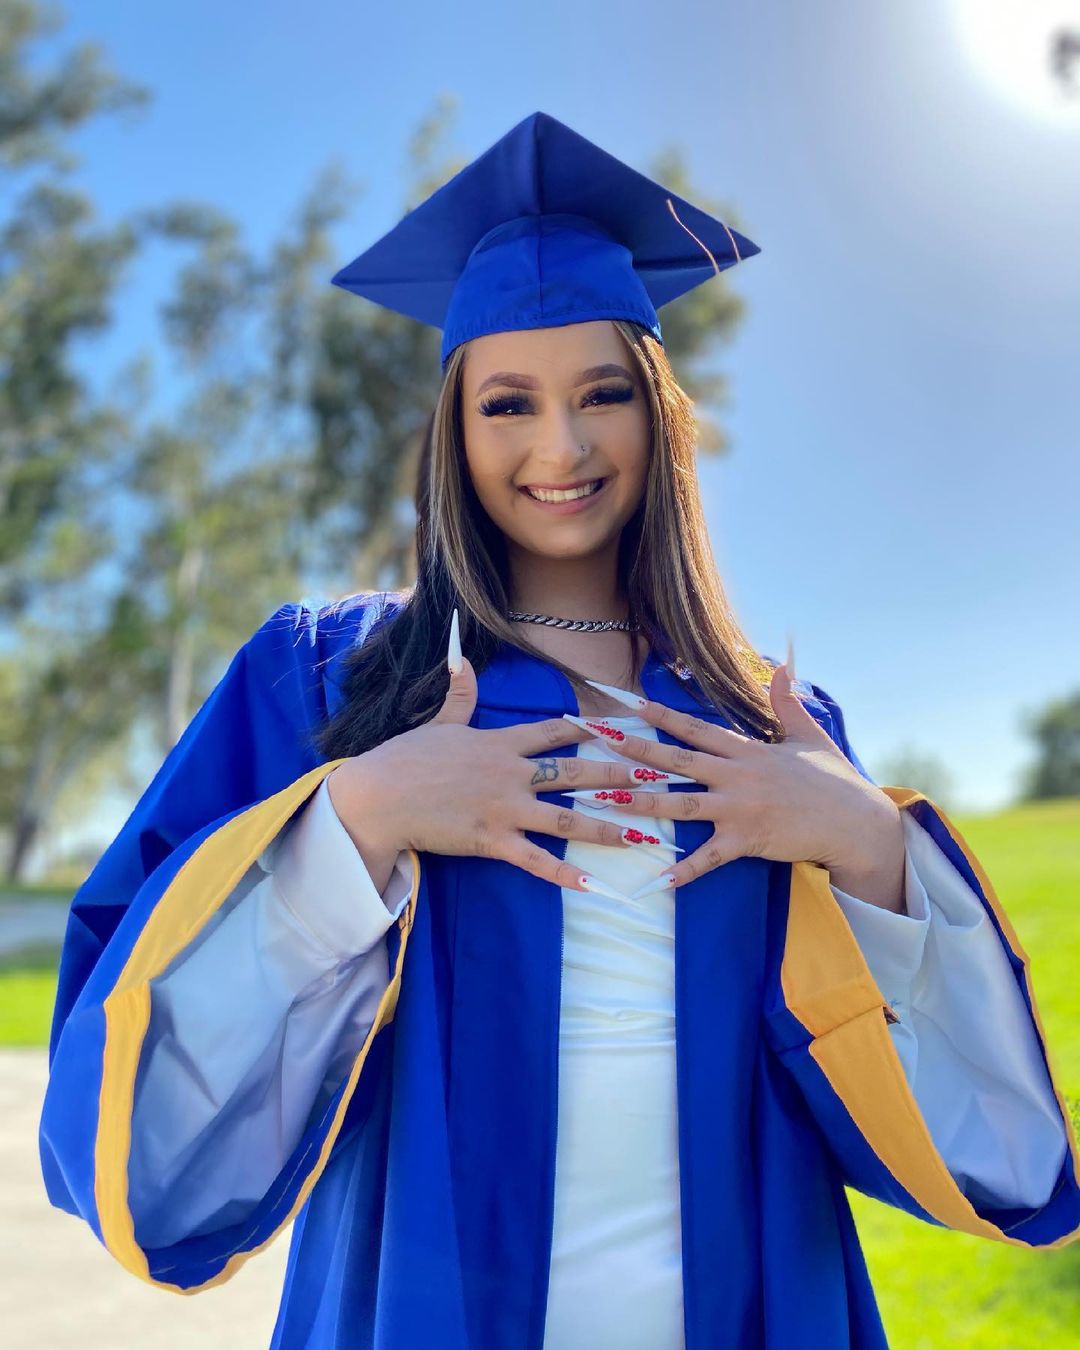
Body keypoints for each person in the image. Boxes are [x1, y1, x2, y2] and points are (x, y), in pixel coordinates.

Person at [39, 111, 1080, 1350]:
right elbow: (138, 1108)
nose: (561, 446)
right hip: (427, 1309)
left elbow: (994, 1149)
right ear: (454, 429)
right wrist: (357, 820)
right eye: (508, 404)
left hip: (741, 1307)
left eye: (603, 394)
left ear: (659, 414)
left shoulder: (763, 718)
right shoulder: (328, 683)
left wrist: (867, 848)